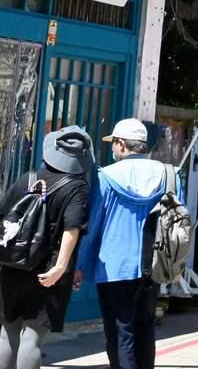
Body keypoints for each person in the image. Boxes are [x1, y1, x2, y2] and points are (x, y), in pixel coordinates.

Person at [74, 119, 177, 369]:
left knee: (121, 332)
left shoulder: (106, 176)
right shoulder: (168, 174)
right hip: (153, 263)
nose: (113, 149)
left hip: (114, 267)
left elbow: (93, 225)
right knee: (145, 329)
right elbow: (177, 222)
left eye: (114, 144)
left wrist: (79, 265)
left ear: (121, 144)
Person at [0, 126, 92, 369]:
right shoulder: (76, 187)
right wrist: (60, 267)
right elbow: (72, 229)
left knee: (7, 332)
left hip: (12, 265)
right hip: (47, 272)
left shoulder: (26, 178)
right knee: (32, 338)